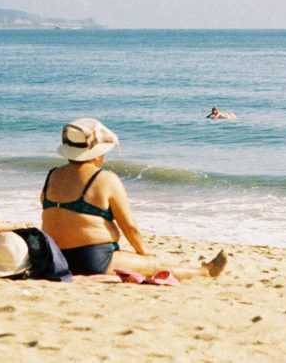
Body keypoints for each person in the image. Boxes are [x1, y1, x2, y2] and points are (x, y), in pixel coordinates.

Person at [40, 117, 227, 279]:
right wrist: (144, 252)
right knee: (153, 266)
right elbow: (130, 227)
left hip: (54, 258)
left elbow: (56, 214)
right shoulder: (105, 179)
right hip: (92, 260)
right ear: (97, 153)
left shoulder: (52, 176)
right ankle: (205, 272)